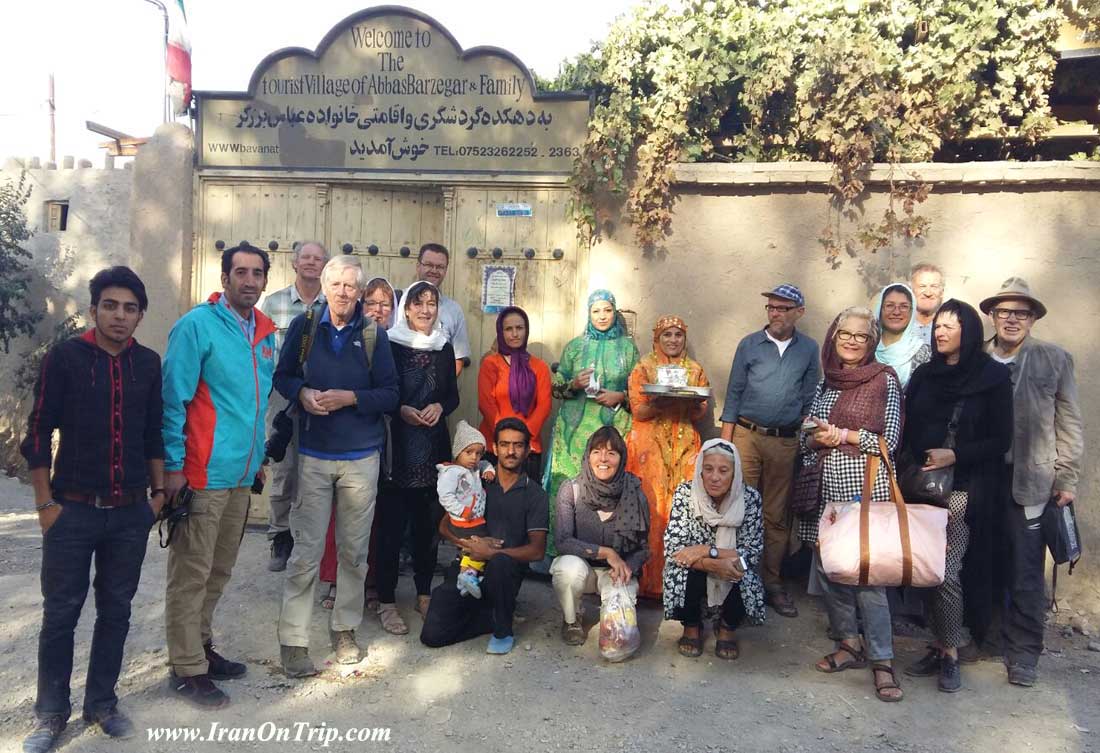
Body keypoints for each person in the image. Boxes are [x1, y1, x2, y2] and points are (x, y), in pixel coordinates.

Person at [19, 268, 164, 752]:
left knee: (117, 610)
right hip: (72, 511)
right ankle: (50, 714)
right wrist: (45, 504)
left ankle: (101, 703)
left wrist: (158, 497)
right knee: (61, 613)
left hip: (129, 514)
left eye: (129, 308)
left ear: (140, 314)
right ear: (94, 308)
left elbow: (152, 434)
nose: (119, 316)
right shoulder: (66, 358)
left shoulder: (148, 363)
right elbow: (38, 432)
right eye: (110, 305)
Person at [161, 243, 277, 708]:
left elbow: (254, 404)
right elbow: (174, 401)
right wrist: (172, 468)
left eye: (257, 273)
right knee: (191, 572)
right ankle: (185, 667)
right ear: (225, 277)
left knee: (219, 569)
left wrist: (258, 460)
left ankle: (200, 647)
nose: (249, 280)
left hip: (241, 475)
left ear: (266, 280)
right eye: (241, 272)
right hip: (201, 475)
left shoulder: (265, 332)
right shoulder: (197, 326)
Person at [272, 255, 399, 677]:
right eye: (337, 284)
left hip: (361, 458)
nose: (344, 292)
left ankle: (344, 628)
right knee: (306, 552)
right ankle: (293, 639)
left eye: (351, 286)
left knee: (353, 551)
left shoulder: (373, 334)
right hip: (313, 455)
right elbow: (283, 376)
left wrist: (351, 398)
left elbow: (391, 394)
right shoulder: (305, 328)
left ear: (360, 292)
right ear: (324, 287)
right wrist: (304, 393)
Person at [793, 308, 904, 702]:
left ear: (872, 342)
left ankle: (883, 662)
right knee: (829, 571)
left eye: (860, 336)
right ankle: (849, 643)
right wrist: (813, 440)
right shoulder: (827, 383)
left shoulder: (883, 381)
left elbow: (889, 442)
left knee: (868, 578)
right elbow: (805, 436)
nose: (852, 341)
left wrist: (841, 434)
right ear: (834, 338)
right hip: (824, 491)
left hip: (864, 491)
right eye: (845, 335)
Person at [901, 300, 1013, 693]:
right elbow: (907, 426)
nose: (941, 332)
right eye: (938, 327)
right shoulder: (924, 376)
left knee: (944, 570)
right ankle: (939, 641)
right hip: (920, 489)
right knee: (924, 570)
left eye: (951, 325)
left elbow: (1002, 440)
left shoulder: (992, 377)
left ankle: (951, 651)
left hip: (964, 490)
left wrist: (956, 454)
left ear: (969, 330)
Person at [980, 277, 1084, 687]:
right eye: (1003, 312)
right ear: (992, 316)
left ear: (1033, 319)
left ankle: (1023, 653)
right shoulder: (979, 357)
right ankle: (985, 638)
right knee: (984, 560)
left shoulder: (1054, 359)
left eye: (1020, 313)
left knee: (1025, 569)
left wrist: (1067, 476)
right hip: (984, 479)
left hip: (1033, 479)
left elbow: (1070, 421)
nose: (1010, 320)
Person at [719, 283, 819, 618]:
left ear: (799, 313)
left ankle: (771, 583)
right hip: (747, 436)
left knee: (776, 517)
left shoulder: (808, 349)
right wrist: (724, 446)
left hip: (785, 442)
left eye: (783, 308)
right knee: (740, 509)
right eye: (771, 308)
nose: (775, 313)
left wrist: (806, 444)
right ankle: (736, 581)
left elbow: (809, 401)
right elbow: (733, 396)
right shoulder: (749, 345)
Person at [421, 418, 549, 654]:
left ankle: (503, 630)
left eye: (518, 445)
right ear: (494, 447)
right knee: (432, 634)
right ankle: (490, 617)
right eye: (505, 444)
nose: (511, 451)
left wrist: (493, 552)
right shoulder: (475, 483)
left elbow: (537, 551)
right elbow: (443, 526)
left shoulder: (535, 494)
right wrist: (468, 544)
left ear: (528, 449)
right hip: (467, 567)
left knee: (499, 564)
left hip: (504, 574)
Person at [373, 280, 460, 629]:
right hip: (398, 447)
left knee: (427, 527)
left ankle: (424, 594)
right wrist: (402, 409)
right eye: (418, 303)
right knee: (391, 530)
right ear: (405, 308)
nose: (426, 310)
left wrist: (440, 405)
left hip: (432, 448)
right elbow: (382, 391)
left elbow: (453, 395)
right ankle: (387, 601)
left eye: (432, 303)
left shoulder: (443, 346)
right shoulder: (389, 345)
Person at [318, 275, 399, 613]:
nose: (378, 310)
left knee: (377, 515)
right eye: (371, 303)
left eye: (385, 304)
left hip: (385, 440)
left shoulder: (399, 341)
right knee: (341, 513)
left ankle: (372, 584)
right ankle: (338, 579)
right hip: (346, 439)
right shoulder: (349, 338)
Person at [544, 290, 639, 558]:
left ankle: (609, 553)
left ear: (614, 312)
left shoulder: (628, 349)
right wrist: (574, 384)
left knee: (608, 488)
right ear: (589, 313)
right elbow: (556, 387)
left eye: (607, 310)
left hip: (613, 429)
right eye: (596, 311)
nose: (602, 316)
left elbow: (640, 390)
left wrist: (620, 395)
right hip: (573, 435)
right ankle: (564, 551)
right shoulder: (574, 347)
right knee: (571, 491)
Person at [626, 315, 710, 598]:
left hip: (684, 445)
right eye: (667, 335)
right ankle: (646, 583)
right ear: (656, 338)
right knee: (652, 508)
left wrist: (691, 402)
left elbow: (700, 412)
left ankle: (677, 585)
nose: (673, 340)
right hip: (650, 449)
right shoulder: (644, 367)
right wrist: (660, 402)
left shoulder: (694, 370)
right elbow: (638, 411)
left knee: (682, 510)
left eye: (678, 335)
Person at [259, 241, 327, 572]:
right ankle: (280, 535)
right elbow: (260, 351)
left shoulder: (333, 304)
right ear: (295, 263)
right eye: (307, 258)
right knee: (284, 470)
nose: (312, 264)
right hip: (283, 394)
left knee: (315, 469)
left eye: (318, 259)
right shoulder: (273, 304)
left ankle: (309, 539)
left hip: (321, 397)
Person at [663, 439, 764, 661]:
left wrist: (707, 551)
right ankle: (691, 625)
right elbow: (674, 547)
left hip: (729, 564)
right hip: (698, 565)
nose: (715, 477)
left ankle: (727, 627)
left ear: (734, 473)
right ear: (700, 470)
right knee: (678, 570)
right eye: (708, 469)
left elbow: (752, 551)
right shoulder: (685, 493)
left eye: (723, 470)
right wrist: (711, 564)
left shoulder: (749, 498)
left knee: (743, 571)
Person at [551, 427, 650, 646]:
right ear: (588, 455)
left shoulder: (634, 492)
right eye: (597, 451)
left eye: (611, 453)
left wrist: (626, 568)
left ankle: (613, 610)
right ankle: (572, 618)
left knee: (617, 641)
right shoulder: (571, 490)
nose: (603, 459)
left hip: (614, 574)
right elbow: (563, 541)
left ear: (621, 459)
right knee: (567, 569)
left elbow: (643, 548)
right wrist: (606, 552)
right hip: (582, 570)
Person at [477, 306, 553, 479]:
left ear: (526, 330)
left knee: (525, 500)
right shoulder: (491, 364)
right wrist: (503, 438)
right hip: (494, 444)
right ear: (500, 332)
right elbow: (486, 404)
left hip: (528, 445)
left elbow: (544, 406)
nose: (515, 334)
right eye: (508, 329)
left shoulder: (539, 366)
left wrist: (522, 438)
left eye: (519, 328)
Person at [437, 420, 496, 598]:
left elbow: (485, 464)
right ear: (458, 452)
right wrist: (462, 510)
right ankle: (468, 575)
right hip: (464, 520)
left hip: (474, 518)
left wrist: (489, 470)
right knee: (479, 546)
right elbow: (445, 496)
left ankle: (464, 580)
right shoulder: (452, 473)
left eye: (478, 453)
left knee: (474, 547)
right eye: (468, 452)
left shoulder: (475, 467)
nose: (474, 458)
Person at [412, 243, 470, 374]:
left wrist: (442, 387)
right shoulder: (400, 301)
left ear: (445, 270)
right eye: (428, 265)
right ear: (418, 266)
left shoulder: (454, 310)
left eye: (440, 267)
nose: (434, 270)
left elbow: (458, 359)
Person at [872, 283, 931, 389]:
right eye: (890, 305)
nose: (896, 312)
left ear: (912, 312)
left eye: (904, 306)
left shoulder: (925, 353)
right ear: (880, 309)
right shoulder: (867, 348)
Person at [910, 262, 945, 342]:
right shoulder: (898, 326)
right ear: (911, 291)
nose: (928, 293)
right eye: (922, 286)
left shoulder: (952, 330)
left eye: (934, 286)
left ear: (942, 292)